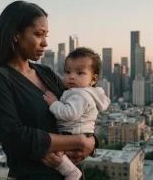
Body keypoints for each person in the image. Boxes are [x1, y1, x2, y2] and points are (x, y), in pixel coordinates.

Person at [0, 1, 98, 180]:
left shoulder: (45, 73)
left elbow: (80, 107)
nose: (44, 43)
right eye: (38, 34)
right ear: (15, 35)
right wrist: (79, 141)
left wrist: (92, 142)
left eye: (46, 35)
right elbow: (15, 138)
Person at [43, 48, 111, 180]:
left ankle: (71, 173)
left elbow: (69, 114)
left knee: (55, 154)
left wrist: (54, 103)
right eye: (67, 72)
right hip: (80, 133)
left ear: (93, 79)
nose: (72, 76)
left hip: (73, 133)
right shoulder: (80, 92)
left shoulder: (80, 94)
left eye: (80, 73)